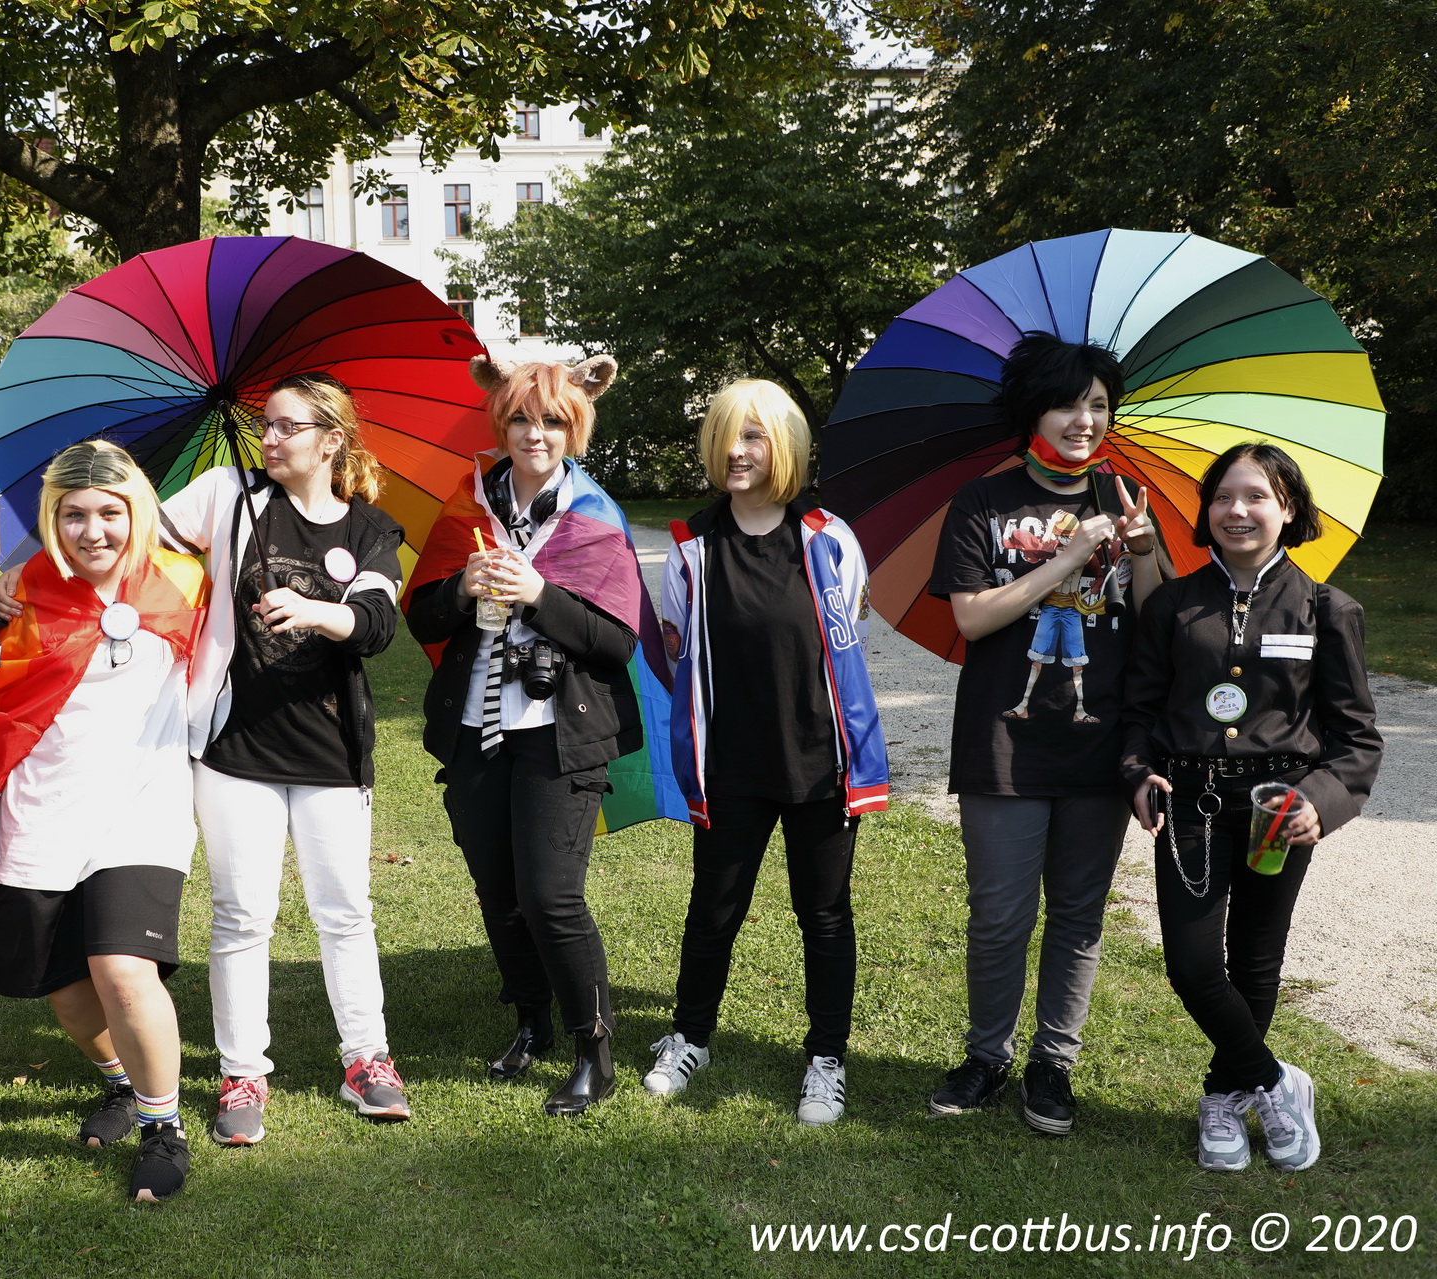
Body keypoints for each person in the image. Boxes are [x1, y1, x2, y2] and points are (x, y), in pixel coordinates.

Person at [152, 372, 411, 1145]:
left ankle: (366, 1059)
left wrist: (312, 610)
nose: (270, 438)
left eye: (288, 427)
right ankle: (242, 1072)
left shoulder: (369, 529)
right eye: (265, 425)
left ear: (332, 441)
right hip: (236, 748)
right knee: (241, 915)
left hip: (332, 749)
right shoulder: (229, 495)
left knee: (346, 911)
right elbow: (138, 540)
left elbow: (374, 623)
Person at [923, 332, 1162, 1134]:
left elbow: (1155, 622)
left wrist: (1148, 550)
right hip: (1004, 737)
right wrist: (1067, 557)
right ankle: (987, 1055)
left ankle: (1053, 1063)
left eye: (1098, 405)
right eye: (1068, 403)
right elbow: (970, 616)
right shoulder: (982, 503)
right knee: (999, 913)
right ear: (1035, 409)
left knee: (1079, 913)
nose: (1084, 419)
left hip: (1101, 741)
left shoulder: (1126, 499)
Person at [0, 440, 208, 1203]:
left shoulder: (187, 579)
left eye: (110, 512)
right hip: (39, 814)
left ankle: (166, 1127)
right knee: (65, 993)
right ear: (51, 518)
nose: (92, 529)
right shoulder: (16, 594)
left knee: (123, 972)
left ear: (136, 512)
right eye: (73, 515)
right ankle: (122, 1085)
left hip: (143, 808)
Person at [1123, 442, 1380, 1173]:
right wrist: (1138, 771)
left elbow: (1357, 739)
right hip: (1194, 805)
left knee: (1257, 962)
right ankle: (1274, 1080)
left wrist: (1321, 804)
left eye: (1258, 496)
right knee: (1192, 965)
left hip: (1280, 808)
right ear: (1205, 511)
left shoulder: (1330, 608)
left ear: (1289, 509)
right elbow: (1137, 710)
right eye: (1225, 497)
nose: (1238, 511)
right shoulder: (1173, 605)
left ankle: (1222, 1098)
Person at [406, 354, 643, 1117]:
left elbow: (615, 645)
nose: (535, 433)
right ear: (499, 424)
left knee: (550, 897)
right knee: (499, 892)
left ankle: (594, 1050)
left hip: (558, 734)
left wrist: (539, 594)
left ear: (574, 428)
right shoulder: (468, 505)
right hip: (478, 727)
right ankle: (531, 1024)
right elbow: (420, 617)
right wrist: (460, 587)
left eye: (551, 421)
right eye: (519, 419)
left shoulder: (595, 516)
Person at [647, 380, 889, 1122]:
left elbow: (850, 643)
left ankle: (826, 1057)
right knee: (713, 910)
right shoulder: (689, 550)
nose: (736, 450)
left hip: (820, 764)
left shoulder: (827, 537)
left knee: (824, 914)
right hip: (731, 767)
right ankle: (690, 1035)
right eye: (724, 435)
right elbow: (676, 652)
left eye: (753, 436)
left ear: (783, 445)